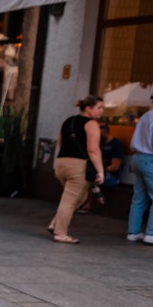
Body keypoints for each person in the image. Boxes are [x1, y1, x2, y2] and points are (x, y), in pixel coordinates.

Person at [47, 95, 105, 244]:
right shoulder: (92, 124)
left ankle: (55, 223)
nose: (102, 111)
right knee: (71, 200)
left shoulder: (68, 121)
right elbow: (93, 150)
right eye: (99, 108)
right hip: (78, 166)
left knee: (79, 197)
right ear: (88, 108)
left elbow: (60, 142)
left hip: (61, 163)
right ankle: (60, 233)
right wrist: (100, 170)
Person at [126, 93, 153, 244]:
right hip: (151, 159)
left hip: (137, 157)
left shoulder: (146, 116)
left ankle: (133, 232)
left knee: (139, 198)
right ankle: (152, 233)